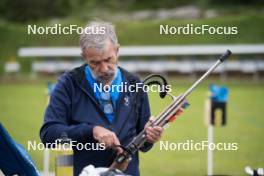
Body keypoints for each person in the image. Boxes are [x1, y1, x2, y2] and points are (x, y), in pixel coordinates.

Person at [40, 21, 165, 176]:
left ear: (117, 51)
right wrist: (91, 131)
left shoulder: (135, 83)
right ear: (84, 57)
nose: (104, 69)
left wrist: (150, 137)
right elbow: (49, 134)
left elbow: (144, 144)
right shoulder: (68, 84)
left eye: (108, 59)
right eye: (95, 63)